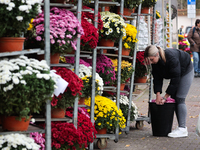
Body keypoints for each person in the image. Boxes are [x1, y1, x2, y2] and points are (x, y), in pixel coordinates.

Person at [144, 45, 194, 138]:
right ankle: (180, 128)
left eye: (151, 59)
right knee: (174, 98)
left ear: (157, 54)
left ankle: (183, 129)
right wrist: (158, 95)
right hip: (177, 73)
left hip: (186, 70)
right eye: (149, 60)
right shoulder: (155, 63)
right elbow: (157, 79)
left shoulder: (171, 58)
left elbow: (175, 79)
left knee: (180, 98)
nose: (150, 62)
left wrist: (165, 97)